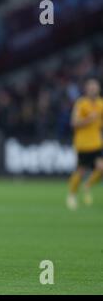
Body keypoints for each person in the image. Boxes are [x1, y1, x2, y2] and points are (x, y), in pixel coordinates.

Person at [67, 78, 103, 210]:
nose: (93, 90)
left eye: (95, 87)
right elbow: (74, 123)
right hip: (83, 144)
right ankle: (71, 195)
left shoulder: (101, 104)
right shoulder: (81, 103)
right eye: (91, 87)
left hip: (96, 143)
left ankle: (87, 186)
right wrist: (88, 119)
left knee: (101, 168)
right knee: (81, 171)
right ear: (86, 89)